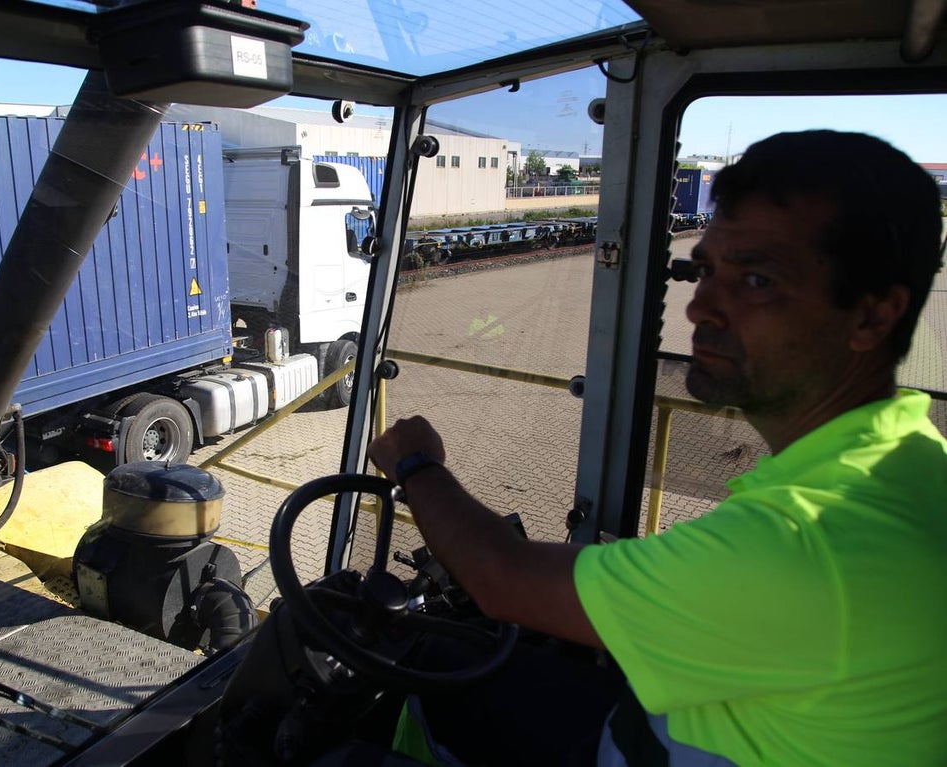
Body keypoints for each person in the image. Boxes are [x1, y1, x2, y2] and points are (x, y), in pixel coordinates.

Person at [368, 130, 947, 766]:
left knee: (415, 685)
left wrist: (417, 466)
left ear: (871, 317)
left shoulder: (802, 537)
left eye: (756, 279)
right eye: (704, 271)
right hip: (680, 729)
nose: (701, 307)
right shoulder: (911, 459)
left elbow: (500, 579)